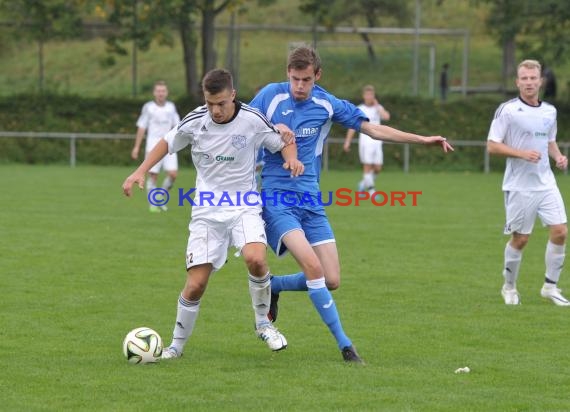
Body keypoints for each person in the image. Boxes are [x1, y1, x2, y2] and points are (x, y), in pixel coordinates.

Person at [250, 46, 453, 363]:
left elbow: (372, 128)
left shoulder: (327, 103)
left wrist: (421, 139)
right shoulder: (270, 96)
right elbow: (243, 125)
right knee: (314, 269)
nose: (299, 86)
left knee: (331, 280)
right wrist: (271, 129)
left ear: (317, 76)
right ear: (287, 74)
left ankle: (274, 285)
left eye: (305, 79)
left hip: (311, 200)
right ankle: (346, 346)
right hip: (277, 198)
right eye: (294, 79)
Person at [122, 69, 304, 359]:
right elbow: (167, 143)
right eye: (210, 104)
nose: (215, 110)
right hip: (207, 211)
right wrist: (140, 171)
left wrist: (291, 159)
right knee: (195, 285)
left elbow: (284, 140)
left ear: (232, 95)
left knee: (256, 259)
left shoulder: (252, 120)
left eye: (220, 103)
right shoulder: (195, 121)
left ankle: (263, 325)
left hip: (244, 204)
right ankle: (175, 347)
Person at [487, 59, 568, 306]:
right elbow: (491, 146)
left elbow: (549, 140)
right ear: (517, 82)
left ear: (540, 81)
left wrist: (558, 157)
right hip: (520, 185)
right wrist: (522, 154)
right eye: (524, 78)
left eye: (533, 78)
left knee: (560, 231)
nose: (529, 82)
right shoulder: (508, 110)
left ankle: (550, 287)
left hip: (546, 183)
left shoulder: (549, 111)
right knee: (521, 239)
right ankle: (509, 287)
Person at [131, 80, 180, 213]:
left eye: (163, 91)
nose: (160, 93)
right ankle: (153, 204)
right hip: (153, 145)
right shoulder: (148, 107)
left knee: (173, 174)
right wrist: (136, 147)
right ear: (154, 93)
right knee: (153, 175)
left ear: (167, 92)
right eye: (158, 91)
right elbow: (142, 127)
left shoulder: (171, 107)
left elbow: (178, 126)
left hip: (169, 144)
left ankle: (160, 196)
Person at [343, 85, 391, 193]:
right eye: (367, 94)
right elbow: (352, 127)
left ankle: (362, 184)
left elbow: (387, 117)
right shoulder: (360, 109)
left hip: (377, 142)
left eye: (371, 95)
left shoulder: (378, 107)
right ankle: (371, 192)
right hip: (366, 142)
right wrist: (347, 142)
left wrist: (378, 106)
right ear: (364, 96)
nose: (369, 97)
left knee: (378, 168)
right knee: (367, 166)